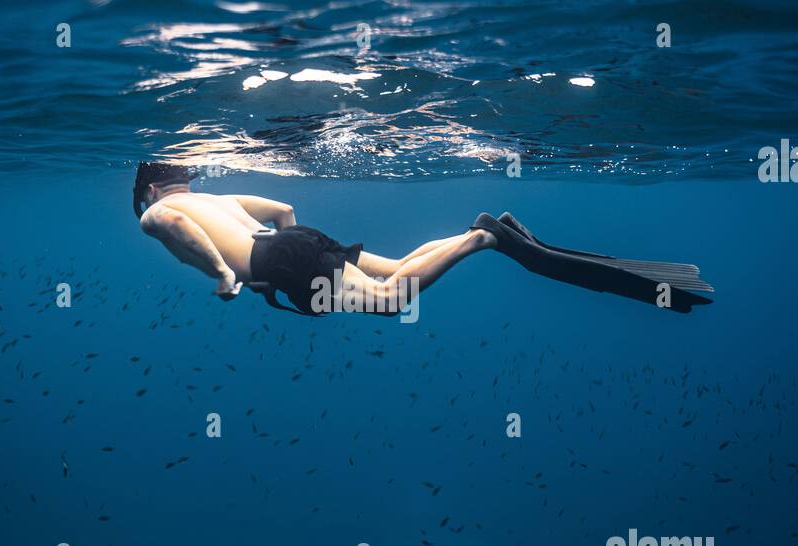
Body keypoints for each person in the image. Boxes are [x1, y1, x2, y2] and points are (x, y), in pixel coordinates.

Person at [133, 161, 713, 317]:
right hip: (285, 242)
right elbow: (284, 209)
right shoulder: (218, 196)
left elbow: (177, 228)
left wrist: (227, 275)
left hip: (271, 260)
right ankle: (476, 232)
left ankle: (479, 242)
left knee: (390, 303)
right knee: (392, 271)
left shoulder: (160, 213)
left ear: (150, 192)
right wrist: (285, 252)